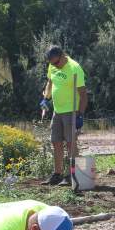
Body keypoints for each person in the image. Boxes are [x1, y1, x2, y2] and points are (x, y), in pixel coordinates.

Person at [40, 45, 88, 186]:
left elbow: (83, 94)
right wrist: (45, 98)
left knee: (70, 143)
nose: (54, 65)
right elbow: (50, 82)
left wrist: (80, 115)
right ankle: (57, 174)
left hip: (71, 112)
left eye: (56, 62)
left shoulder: (75, 68)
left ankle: (73, 175)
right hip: (57, 111)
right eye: (52, 63)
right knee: (56, 142)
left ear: (62, 56)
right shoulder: (52, 65)